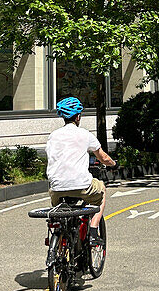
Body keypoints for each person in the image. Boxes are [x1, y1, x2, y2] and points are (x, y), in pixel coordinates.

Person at [46, 97, 116, 242]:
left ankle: (59, 240)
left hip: (57, 188)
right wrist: (114, 164)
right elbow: (103, 158)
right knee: (101, 189)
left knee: (60, 212)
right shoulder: (85, 134)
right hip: (81, 185)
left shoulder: (53, 136)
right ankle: (93, 230)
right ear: (78, 116)